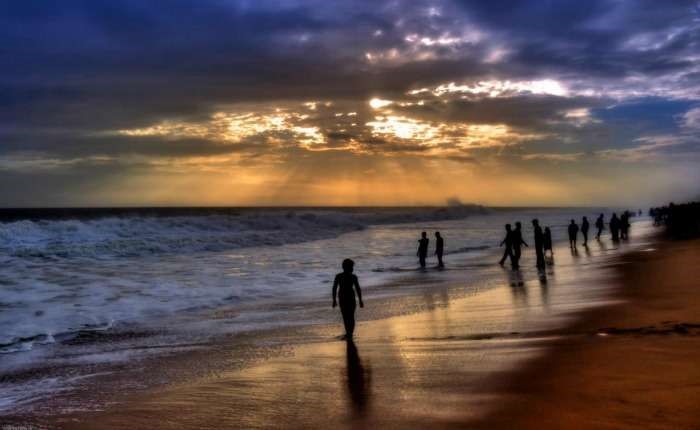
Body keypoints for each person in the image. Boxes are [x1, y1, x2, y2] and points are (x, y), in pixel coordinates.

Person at [332, 258, 364, 338]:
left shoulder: (342, 276)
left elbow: (358, 288)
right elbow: (334, 288)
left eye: (352, 267)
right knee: (348, 316)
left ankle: (349, 333)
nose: (352, 268)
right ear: (345, 267)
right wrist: (334, 300)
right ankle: (349, 333)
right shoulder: (348, 277)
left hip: (346, 298)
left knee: (347, 316)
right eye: (351, 267)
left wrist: (360, 300)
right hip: (346, 298)